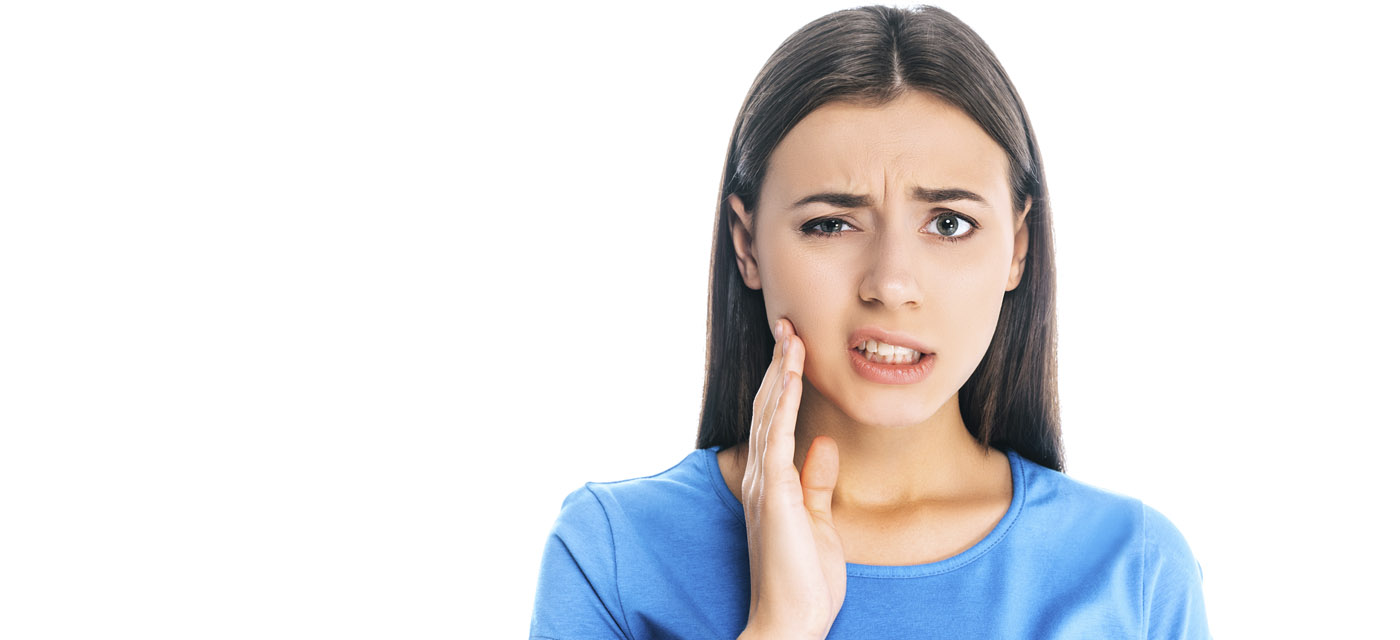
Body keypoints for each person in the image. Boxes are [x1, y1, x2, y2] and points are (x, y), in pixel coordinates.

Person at [530, 5, 1210, 638]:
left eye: (949, 224)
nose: (890, 282)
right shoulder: (612, 553)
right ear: (747, 245)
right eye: (830, 224)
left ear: (1019, 248)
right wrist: (782, 622)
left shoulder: (1135, 570)